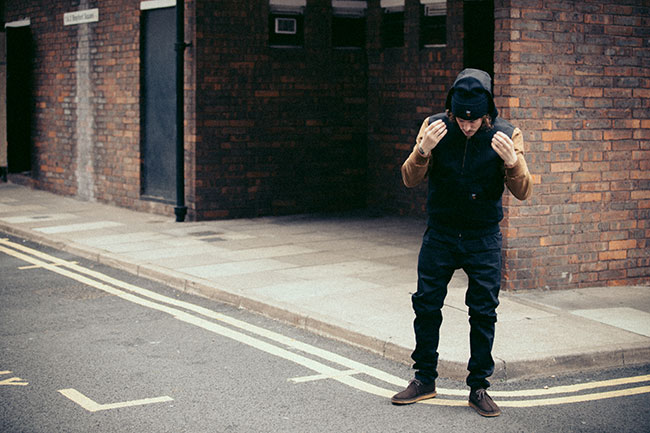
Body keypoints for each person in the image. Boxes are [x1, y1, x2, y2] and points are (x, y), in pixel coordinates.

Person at [391, 68, 532, 417]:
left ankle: (478, 387)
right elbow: (409, 179)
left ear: (487, 114)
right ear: (452, 111)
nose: (467, 126)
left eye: (475, 120)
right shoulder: (434, 126)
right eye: (462, 119)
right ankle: (424, 379)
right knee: (426, 305)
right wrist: (423, 150)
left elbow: (524, 191)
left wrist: (512, 162)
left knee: (483, 312)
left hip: (483, 237)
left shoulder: (507, 134)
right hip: (440, 233)